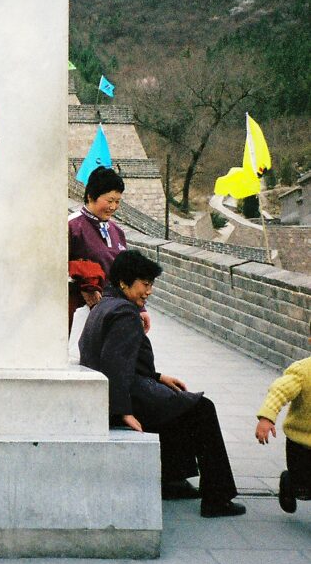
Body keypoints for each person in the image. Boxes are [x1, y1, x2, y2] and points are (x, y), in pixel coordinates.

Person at [79, 249, 246, 518]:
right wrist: (123, 411)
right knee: (202, 409)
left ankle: (172, 480)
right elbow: (115, 364)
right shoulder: (124, 313)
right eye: (145, 284)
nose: (149, 291)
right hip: (126, 395)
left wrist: (158, 378)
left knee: (178, 402)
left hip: (118, 390)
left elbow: (116, 359)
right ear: (124, 282)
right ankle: (217, 497)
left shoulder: (104, 305)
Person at [255, 326, 311, 513]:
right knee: (303, 486)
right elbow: (279, 391)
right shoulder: (303, 371)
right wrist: (267, 417)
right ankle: (289, 483)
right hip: (300, 444)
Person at [68, 167, 129, 335]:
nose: (113, 206)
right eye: (109, 200)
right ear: (91, 196)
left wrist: (140, 308)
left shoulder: (117, 231)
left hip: (116, 312)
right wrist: (84, 285)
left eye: (117, 201)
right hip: (81, 313)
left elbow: (127, 275)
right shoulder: (72, 227)